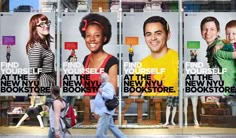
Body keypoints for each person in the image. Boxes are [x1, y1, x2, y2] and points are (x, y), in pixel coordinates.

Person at [141, 16, 178, 126]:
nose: (153, 38)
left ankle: (170, 121)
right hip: (151, 113)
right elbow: (134, 94)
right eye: (149, 34)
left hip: (172, 98)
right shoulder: (142, 64)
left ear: (168, 35)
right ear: (145, 38)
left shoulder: (178, 59)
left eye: (158, 33)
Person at [79, 13, 118, 96]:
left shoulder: (112, 62)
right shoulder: (86, 59)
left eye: (97, 35)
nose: (92, 39)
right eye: (88, 35)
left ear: (104, 38)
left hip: (102, 108)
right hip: (87, 107)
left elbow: (112, 94)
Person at [200, 17, 236, 103]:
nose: (208, 32)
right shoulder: (215, 46)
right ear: (201, 32)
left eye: (212, 29)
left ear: (218, 32)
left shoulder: (219, 46)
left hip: (228, 91)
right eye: (205, 29)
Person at [26, 14, 55, 95]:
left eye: (47, 23)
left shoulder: (43, 45)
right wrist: (36, 100)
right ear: (35, 28)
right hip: (42, 94)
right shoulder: (36, 47)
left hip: (49, 92)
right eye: (42, 24)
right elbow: (33, 76)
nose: (46, 26)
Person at [93, 72, 126, 138]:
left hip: (105, 111)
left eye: (101, 77)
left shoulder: (108, 85)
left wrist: (101, 92)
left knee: (100, 133)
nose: (99, 78)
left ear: (104, 79)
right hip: (104, 110)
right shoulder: (103, 85)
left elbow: (110, 96)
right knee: (112, 126)